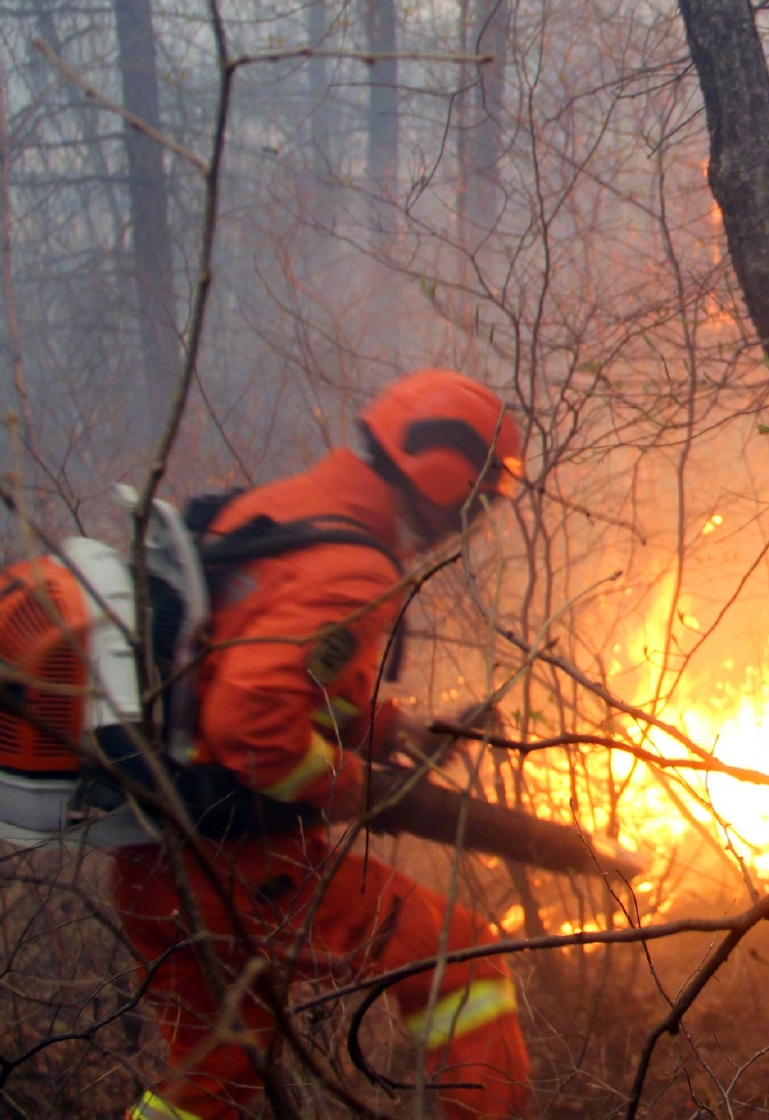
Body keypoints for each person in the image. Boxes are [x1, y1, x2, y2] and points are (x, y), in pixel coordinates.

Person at [118, 371, 532, 1120]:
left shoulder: (282, 512)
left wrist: (391, 728)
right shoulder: (353, 567)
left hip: (156, 863)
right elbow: (248, 721)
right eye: (477, 503)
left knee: (220, 1068)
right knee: (461, 963)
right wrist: (350, 785)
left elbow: (267, 668)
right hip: (243, 861)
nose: (472, 524)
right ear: (444, 481)